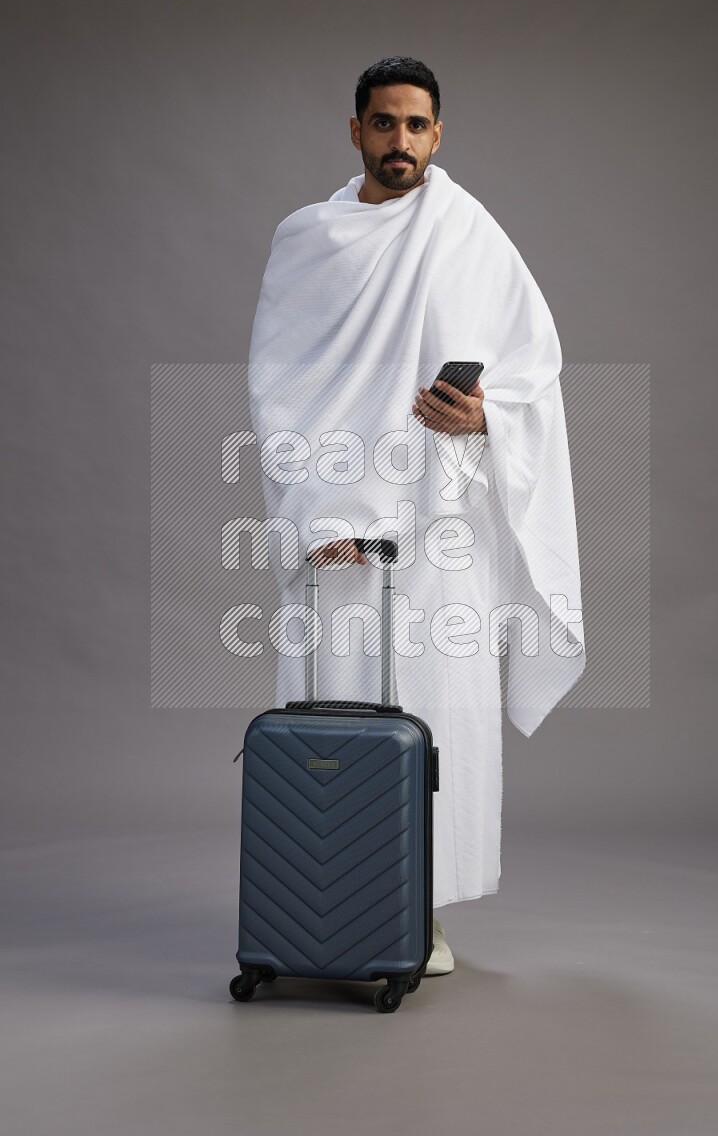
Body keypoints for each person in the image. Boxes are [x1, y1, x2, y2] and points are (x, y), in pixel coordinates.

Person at [248, 56, 586, 975]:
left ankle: (419, 910)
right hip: (335, 528)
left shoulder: (468, 234)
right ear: (355, 130)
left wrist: (487, 416)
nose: (401, 141)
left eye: (417, 125)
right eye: (384, 123)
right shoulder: (307, 240)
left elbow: (533, 369)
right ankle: (320, 901)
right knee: (333, 704)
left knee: (437, 709)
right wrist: (318, 504)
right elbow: (279, 388)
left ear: (439, 135)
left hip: (439, 526)